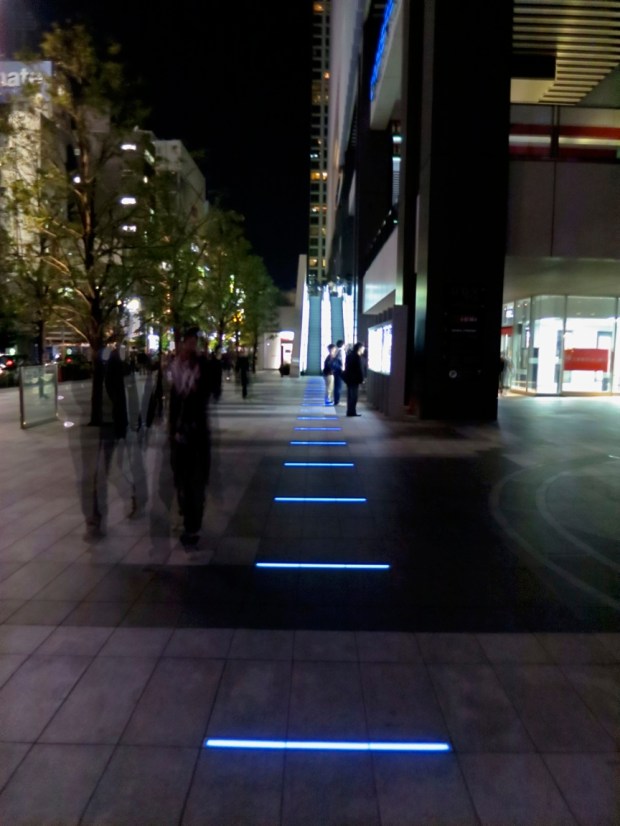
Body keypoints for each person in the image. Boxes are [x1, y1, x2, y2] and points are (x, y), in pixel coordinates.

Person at [168, 326, 215, 550]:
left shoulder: (203, 366)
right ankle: (187, 515)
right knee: (181, 479)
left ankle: (193, 526)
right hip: (179, 431)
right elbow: (172, 403)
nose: (190, 345)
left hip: (198, 431)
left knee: (196, 481)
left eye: (193, 341)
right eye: (187, 341)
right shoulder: (173, 368)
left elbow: (213, 391)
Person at [344, 341, 366, 417]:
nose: (364, 349)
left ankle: (350, 411)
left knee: (350, 396)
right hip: (354, 380)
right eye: (363, 348)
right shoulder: (357, 357)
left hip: (349, 379)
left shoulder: (350, 355)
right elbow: (360, 370)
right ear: (359, 348)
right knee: (354, 396)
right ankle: (352, 412)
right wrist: (362, 379)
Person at [333, 340, 345, 406]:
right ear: (342, 344)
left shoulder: (336, 350)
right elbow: (342, 361)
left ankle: (336, 400)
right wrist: (343, 370)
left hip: (335, 370)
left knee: (336, 386)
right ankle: (337, 401)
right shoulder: (341, 351)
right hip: (339, 370)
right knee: (339, 386)